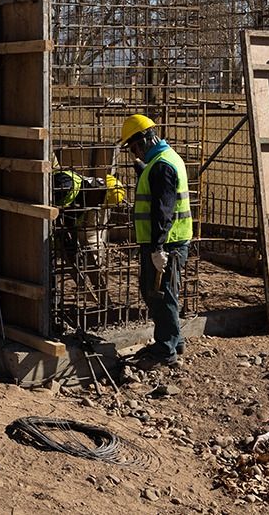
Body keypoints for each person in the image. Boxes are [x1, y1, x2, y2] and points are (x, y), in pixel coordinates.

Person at [120, 113, 192, 366]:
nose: (134, 153)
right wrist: (144, 173)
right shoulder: (163, 160)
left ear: (145, 140)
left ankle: (165, 350)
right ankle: (174, 340)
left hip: (167, 242)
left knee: (161, 294)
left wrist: (158, 247)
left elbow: (164, 209)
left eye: (134, 147)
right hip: (168, 240)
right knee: (162, 293)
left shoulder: (162, 165)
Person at [52, 168, 125, 294]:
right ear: (98, 189)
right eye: (100, 200)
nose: (97, 205)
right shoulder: (67, 184)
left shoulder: (84, 200)